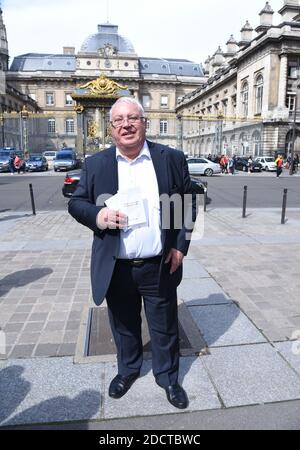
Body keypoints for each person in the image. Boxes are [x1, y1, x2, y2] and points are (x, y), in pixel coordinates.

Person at [68, 97, 196, 409]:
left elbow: (187, 202)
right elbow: (76, 203)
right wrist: (99, 216)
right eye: (119, 120)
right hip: (117, 266)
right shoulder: (97, 164)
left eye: (133, 118)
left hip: (159, 262)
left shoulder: (171, 158)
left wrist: (180, 246)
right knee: (123, 323)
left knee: (164, 324)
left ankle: (168, 377)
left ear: (145, 122)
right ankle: (128, 370)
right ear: (111, 128)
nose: (126, 125)